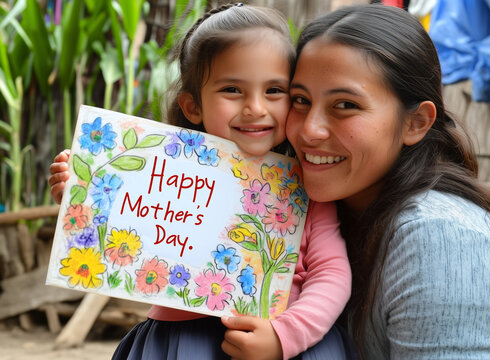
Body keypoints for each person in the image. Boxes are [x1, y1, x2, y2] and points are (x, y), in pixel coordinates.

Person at [49, 4, 354, 360]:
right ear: (193, 106)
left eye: (274, 90)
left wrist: (285, 336)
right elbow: (129, 228)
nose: (256, 107)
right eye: (232, 90)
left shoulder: (307, 185)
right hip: (182, 343)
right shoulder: (155, 169)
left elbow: (332, 274)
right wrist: (80, 191)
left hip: (289, 342)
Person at [284, 4, 490, 358]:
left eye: (345, 105)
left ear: (415, 123)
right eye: (300, 100)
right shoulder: (315, 213)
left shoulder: (439, 238)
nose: (310, 129)